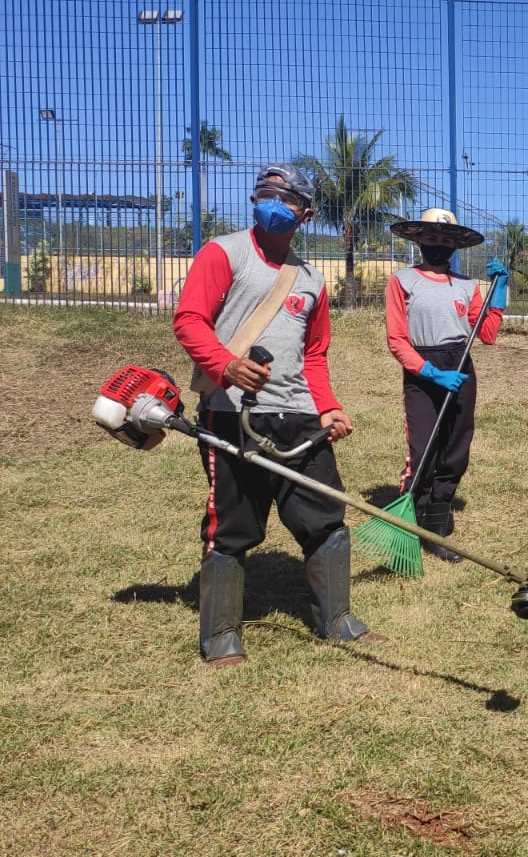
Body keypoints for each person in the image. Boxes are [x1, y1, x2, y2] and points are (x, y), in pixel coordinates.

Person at [172, 163, 384, 665]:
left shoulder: (311, 279)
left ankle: (335, 620)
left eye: (287, 199)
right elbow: (189, 320)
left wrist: (328, 407)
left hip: (300, 416)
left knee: (325, 518)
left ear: (306, 214)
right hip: (233, 415)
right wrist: (227, 366)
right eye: (266, 193)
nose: (274, 203)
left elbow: (314, 355)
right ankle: (221, 635)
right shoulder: (223, 252)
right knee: (233, 526)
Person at [384, 208, 508, 561]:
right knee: (423, 449)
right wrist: (430, 373)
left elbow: (487, 335)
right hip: (423, 372)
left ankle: (437, 526)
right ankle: (409, 524)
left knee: (456, 449)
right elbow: (396, 340)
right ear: (419, 240)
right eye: (431, 237)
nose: (438, 244)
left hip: (460, 366)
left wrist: (499, 293)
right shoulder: (403, 281)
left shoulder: (467, 286)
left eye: (445, 239)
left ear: (455, 244)